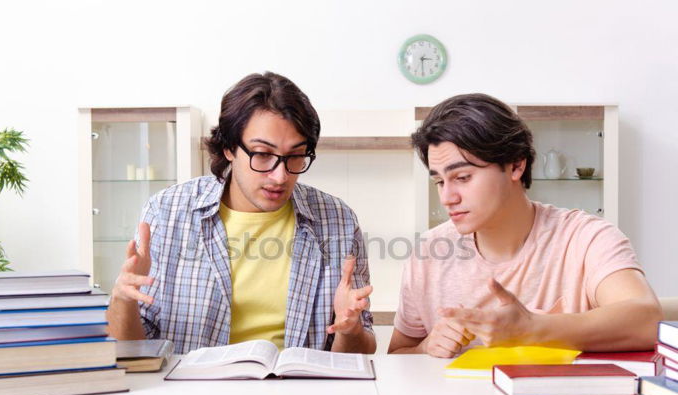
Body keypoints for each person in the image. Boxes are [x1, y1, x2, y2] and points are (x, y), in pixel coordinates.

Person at [107, 72, 375, 354]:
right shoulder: (167, 211)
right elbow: (130, 351)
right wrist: (122, 300)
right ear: (228, 148)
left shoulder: (337, 220)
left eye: (296, 155)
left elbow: (359, 350)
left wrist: (351, 329)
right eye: (262, 154)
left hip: (298, 393)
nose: (280, 175)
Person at [388, 93, 662, 357]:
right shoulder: (427, 253)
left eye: (462, 177)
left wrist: (533, 329)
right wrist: (425, 348)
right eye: (439, 182)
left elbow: (647, 319)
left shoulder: (585, 238)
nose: (448, 197)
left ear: (516, 166)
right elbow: (398, 355)